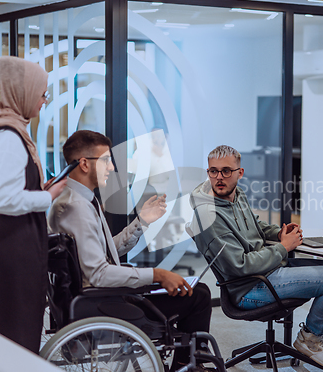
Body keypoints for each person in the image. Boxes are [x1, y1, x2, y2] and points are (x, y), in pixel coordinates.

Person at [48, 130, 212, 369]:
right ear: (84, 164)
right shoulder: (77, 208)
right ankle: (186, 365)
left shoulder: (75, 199)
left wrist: (141, 222)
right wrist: (158, 274)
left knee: (194, 290)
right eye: (105, 160)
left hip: (98, 297)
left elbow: (103, 252)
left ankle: (185, 363)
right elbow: (99, 274)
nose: (112, 167)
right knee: (198, 296)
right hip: (103, 302)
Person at [190, 145, 323, 370]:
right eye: (213, 171)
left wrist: (278, 234)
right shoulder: (207, 215)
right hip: (250, 287)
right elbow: (239, 266)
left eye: (226, 171)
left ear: (240, 173)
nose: (219, 177)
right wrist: (282, 247)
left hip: (270, 270)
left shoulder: (235, 195)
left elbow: (255, 225)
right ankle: (311, 338)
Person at [0, 56, 67, 353]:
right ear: (18, 92)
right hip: (7, 258)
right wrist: (47, 196)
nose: (44, 101)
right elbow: (1, 199)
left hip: (4, 252)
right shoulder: (6, 137)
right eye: (41, 93)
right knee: (12, 334)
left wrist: (37, 189)